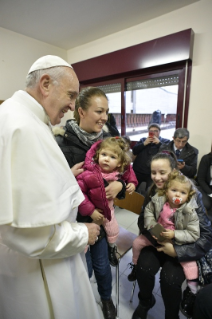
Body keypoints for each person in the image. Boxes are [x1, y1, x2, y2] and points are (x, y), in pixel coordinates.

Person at [0, 55, 101, 319]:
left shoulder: (24, 117)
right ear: (45, 84)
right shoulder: (22, 126)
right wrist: (83, 234)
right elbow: (25, 233)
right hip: (36, 266)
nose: (72, 104)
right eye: (71, 95)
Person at [55, 86, 126, 319]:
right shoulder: (61, 145)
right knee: (81, 270)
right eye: (99, 111)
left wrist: (121, 186)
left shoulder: (108, 141)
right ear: (81, 111)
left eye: (107, 111)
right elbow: (50, 188)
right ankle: (81, 304)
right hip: (76, 225)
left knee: (103, 268)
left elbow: (124, 173)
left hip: (103, 220)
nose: (105, 117)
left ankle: (106, 299)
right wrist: (67, 176)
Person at [132, 151, 212, 319]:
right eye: (154, 173)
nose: (157, 177)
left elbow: (206, 237)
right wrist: (158, 235)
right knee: (144, 267)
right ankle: (146, 301)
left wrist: (177, 251)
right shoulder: (154, 190)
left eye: (163, 172)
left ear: (174, 171)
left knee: (170, 279)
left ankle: (171, 315)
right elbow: (142, 221)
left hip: (184, 246)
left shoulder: (192, 194)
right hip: (157, 241)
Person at [129, 171, 200, 299]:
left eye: (183, 193)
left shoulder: (190, 212)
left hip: (176, 243)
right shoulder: (158, 200)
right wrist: (152, 227)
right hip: (156, 236)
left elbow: (193, 234)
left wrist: (174, 234)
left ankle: (192, 288)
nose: (178, 194)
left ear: (188, 196)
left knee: (190, 263)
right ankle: (134, 265)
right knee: (136, 243)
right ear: (167, 191)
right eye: (174, 190)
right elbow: (148, 212)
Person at [76, 137, 138, 266]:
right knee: (87, 235)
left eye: (112, 157)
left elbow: (129, 172)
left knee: (113, 229)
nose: (106, 159)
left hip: (108, 210)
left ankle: (112, 248)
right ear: (98, 155)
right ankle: (82, 256)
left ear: (120, 163)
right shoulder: (89, 173)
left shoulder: (118, 172)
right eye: (103, 154)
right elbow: (79, 193)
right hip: (89, 213)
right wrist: (91, 211)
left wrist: (131, 183)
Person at [133, 123, 170, 192]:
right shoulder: (143, 140)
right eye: (151, 131)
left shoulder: (165, 142)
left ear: (159, 132)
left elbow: (168, 153)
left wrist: (159, 144)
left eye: (156, 131)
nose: (153, 133)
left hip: (153, 173)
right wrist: (144, 144)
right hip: (138, 171)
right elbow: (134, 151)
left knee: (149, 191)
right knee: (132, 189)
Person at [197, 146, 212, 218]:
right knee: (207, 204)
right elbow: (200, 179)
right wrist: (211, 193)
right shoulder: (206, 159)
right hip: (206, 188)